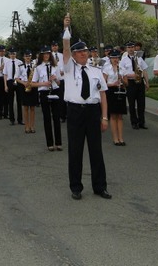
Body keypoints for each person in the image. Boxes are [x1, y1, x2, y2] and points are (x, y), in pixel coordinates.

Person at [62, 14, 111, 200]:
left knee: (96, 151)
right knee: (75, 151)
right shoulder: (68, 68)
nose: (84, 54)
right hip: (75, 111)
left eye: (86, 51)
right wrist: (66, 28)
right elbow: (65, 47)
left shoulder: (96, 71)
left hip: (92, 111)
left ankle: (100, 187)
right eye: (80, 52)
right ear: (74, 55)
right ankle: (76, 187)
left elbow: (103, 94)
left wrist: (104, 117)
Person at [32, 45, 62, 151]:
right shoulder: (38, 68)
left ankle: (58, 142)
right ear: (41, 55)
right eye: (44, 54)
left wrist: (55, 79)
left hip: (55, 91)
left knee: (56, 117)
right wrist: (44, 83)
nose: (46, 55)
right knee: (47, 118)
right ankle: (50, 143)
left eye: (48, 54)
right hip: (44, 92)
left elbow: (59, 82)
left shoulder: (55, 66)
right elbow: (33, 83)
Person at [119, 41, 150, 130]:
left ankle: (141, 122)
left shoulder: (139, 58)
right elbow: (121, 73)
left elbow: (144, 70)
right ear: (126, 49)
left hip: (140, 82)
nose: (131, 49)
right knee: (132, 104)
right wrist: (131, 75)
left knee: (141, 103)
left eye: (132, 47)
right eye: (129, 47)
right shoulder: (123, 60)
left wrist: (147, 82)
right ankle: (134, 122)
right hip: (130, 82)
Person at [103, 50, 127, 146]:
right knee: (113, 116)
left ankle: (121, 138)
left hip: (120, 90)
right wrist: (113, 84)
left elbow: (127, 83)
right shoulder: (106, 68)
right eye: (113, 58)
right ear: (110, 59)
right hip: (111, 91)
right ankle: (115, 138)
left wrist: (122, 79)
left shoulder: (122, 68)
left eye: (116, 58)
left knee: (120, 116)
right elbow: (104, 83)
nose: (115, 60)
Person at [18, 50, 37, 134]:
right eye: (26, 56)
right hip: (24, 87)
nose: (28, 57)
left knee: (32, 108)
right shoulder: (20, 66)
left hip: (33, 87)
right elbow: (16, 78)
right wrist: (24, 83)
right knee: (25, 108)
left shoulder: (35, 66)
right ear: (24, 57)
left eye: (29, 56)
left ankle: (32, 126)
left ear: (31, 56)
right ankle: (27, 126)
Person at [3, 47, 23, 125]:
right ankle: (12, 119)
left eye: (14, 54)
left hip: (18, 81)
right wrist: (5, 85)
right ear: (9, 55)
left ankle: (20, 119)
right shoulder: (7, 63)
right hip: (10, 81)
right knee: (10, 101)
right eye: (11, 54)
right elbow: (5, 74)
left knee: (19, 101)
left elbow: (23, 73)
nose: (12, 55)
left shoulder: (20, 62)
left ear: (16, 54)